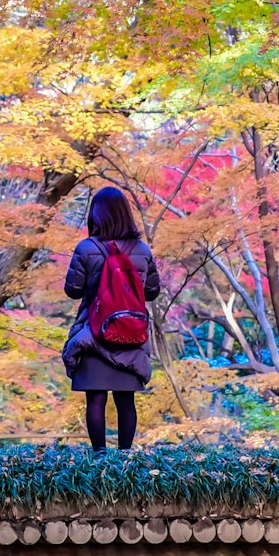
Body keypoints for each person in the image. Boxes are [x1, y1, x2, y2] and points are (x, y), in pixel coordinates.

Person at [63, 187, 162, 450]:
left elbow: (72, 290)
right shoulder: (142, 250)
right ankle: (125, 458)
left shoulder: (86, 248)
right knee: (125, 400)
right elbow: (152, 292)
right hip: (130, 333)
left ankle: (99, 459)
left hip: (93, 333)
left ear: (96, 215)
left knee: (95, 399)